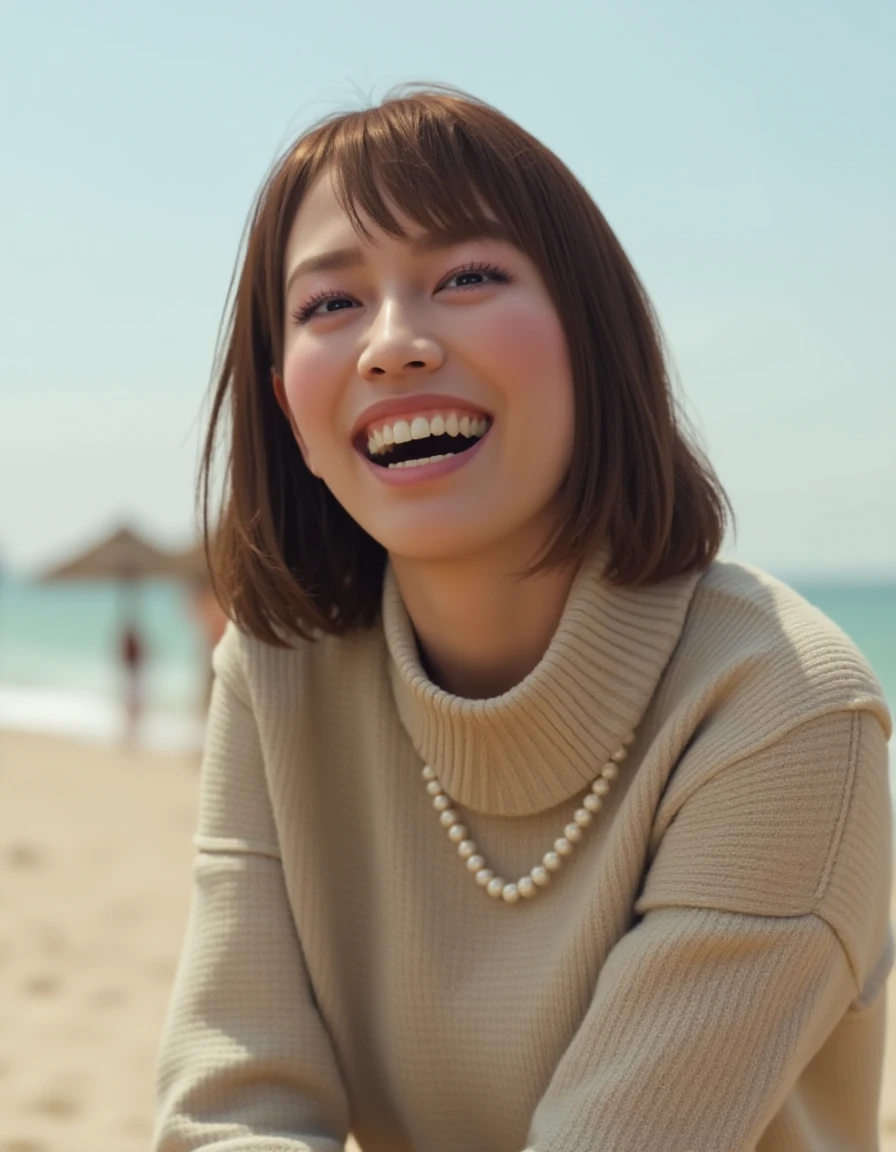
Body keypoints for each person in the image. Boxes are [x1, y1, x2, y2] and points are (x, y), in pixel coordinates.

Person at [153, 87, 892, 1151]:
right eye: (329, 305)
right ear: (287, 408)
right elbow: (231, 1106)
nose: (392, 345)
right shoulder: (277, 674)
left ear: (592, 342)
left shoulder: (781, 706)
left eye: (466, 277)